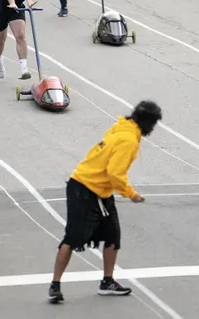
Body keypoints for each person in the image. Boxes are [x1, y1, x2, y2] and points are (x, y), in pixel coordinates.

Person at [48, 100, 162, 303]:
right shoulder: (129, 140)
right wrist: (131, 194)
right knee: (73, 237)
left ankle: (107, 281)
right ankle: (55, 285)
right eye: (153, 124)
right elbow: (115, 173)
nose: (153, 129)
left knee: (112, 235)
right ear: (146, 122)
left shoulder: (121, 127)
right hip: (84, 189)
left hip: (99, 191)